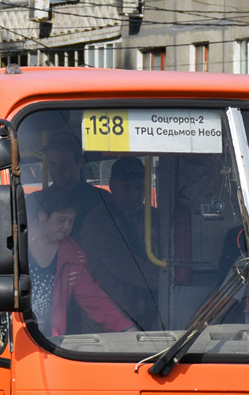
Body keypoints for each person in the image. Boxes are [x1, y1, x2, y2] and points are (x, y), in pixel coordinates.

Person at [26, 185, 135, 337]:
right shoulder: (13, 243)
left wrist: (127, 329)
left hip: (44, 342)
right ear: (43, 215)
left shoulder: (73, 257)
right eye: (61, 220)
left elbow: (94, 299)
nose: (66, 227)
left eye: (71, 221)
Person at [80, 156, 162, 329]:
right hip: (111, 316)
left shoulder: (156, 217)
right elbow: (127, 267)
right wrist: (168, 281)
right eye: (127, 188)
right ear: (112, 186)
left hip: (152, 312)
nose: (134, 194)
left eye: (139, 187)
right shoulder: (99, 220)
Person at [39, 129, 105, 238]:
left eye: (65, 163)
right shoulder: (36, 201)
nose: (57, 169)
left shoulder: (102, 201)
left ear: (80, 162)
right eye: (52, 163)